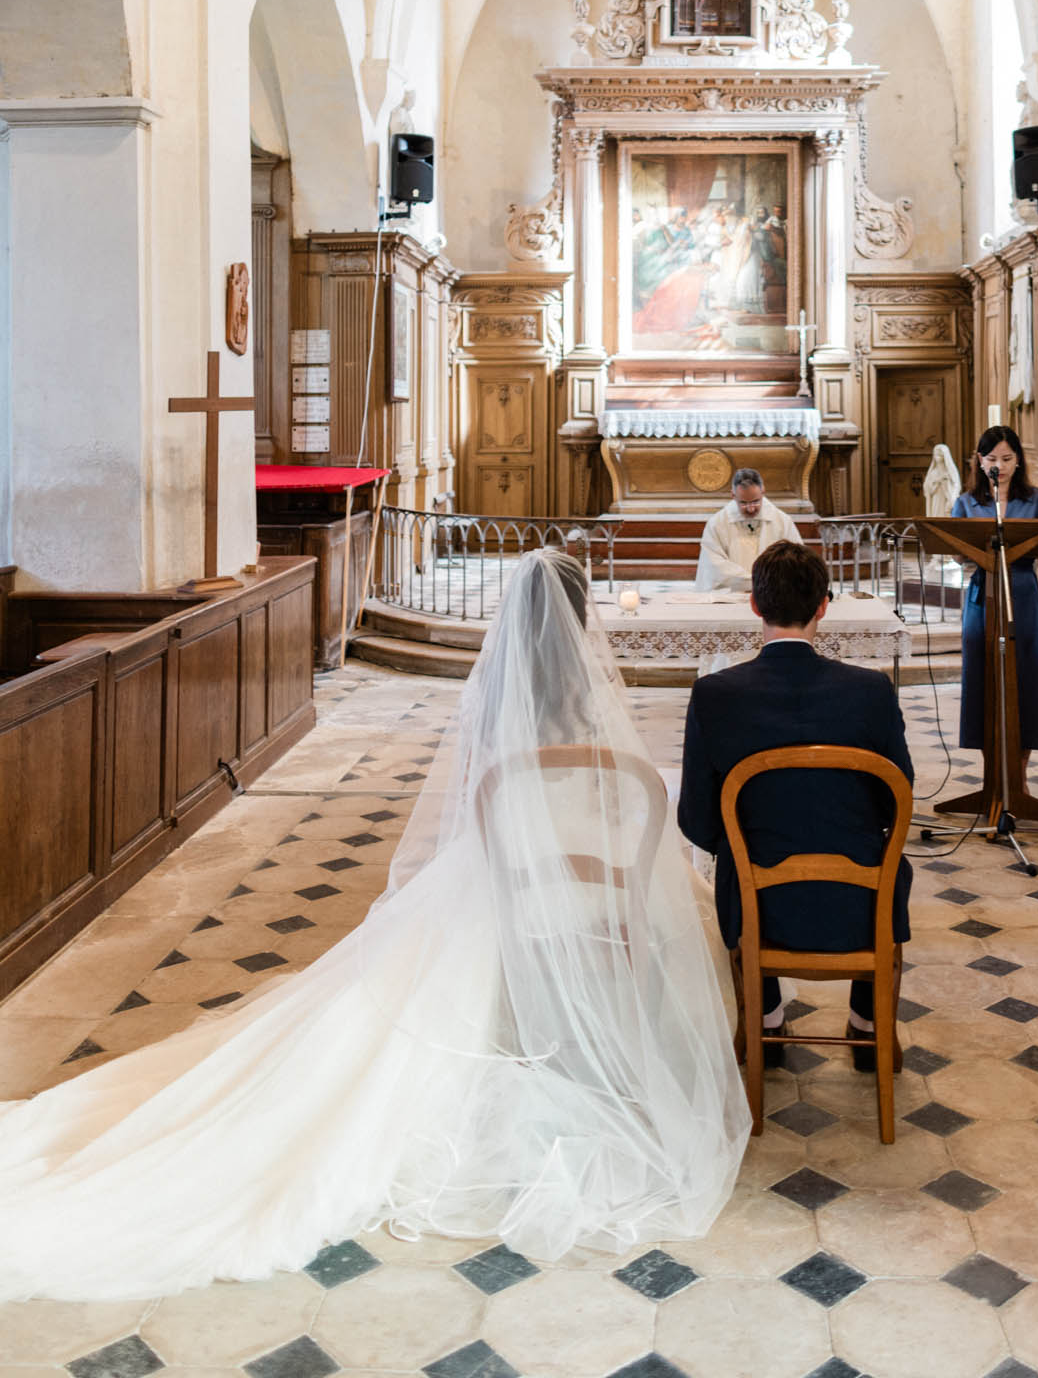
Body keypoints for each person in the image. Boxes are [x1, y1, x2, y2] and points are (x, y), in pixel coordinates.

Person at [0, 552, 748, 1300]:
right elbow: (627, 802)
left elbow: (483, 812)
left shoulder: (499, 705)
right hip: (593, 893)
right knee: (681, 911)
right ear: (584, 621)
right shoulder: (595, 709)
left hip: (515, 885)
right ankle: (633, 1048)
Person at [679, 540, 915, 1069]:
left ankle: (765, 1025)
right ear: (824, 605)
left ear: (755, 606)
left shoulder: (716, 694)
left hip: (758, 909)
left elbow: (695, 820)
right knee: (887, 858)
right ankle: (867, 1026)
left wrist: (754, 850)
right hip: (860, 906)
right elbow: (896, 803)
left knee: (736, 867)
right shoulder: (871, 690)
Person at [951, 424, 1038, 771]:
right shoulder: (967, 502)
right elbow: (955, 550)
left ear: (1018, 461)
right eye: (993, 458)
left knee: (1024, 675)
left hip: (1022, 591)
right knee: (981, 675)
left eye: (1008, 458)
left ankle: (1019, 773)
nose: (1001, 465)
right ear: (980, 462)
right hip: (983, 592)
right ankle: (991, 771)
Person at [695, 466, 801, 590]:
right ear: (733, 495)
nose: (751, 508)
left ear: (763, 492)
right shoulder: (717, 524)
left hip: (773, 592)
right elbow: (713, 565)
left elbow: (796, 558)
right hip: (732, 594)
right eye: (743, 503)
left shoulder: (782, 521)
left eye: (755, 501)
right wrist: (749, 581)